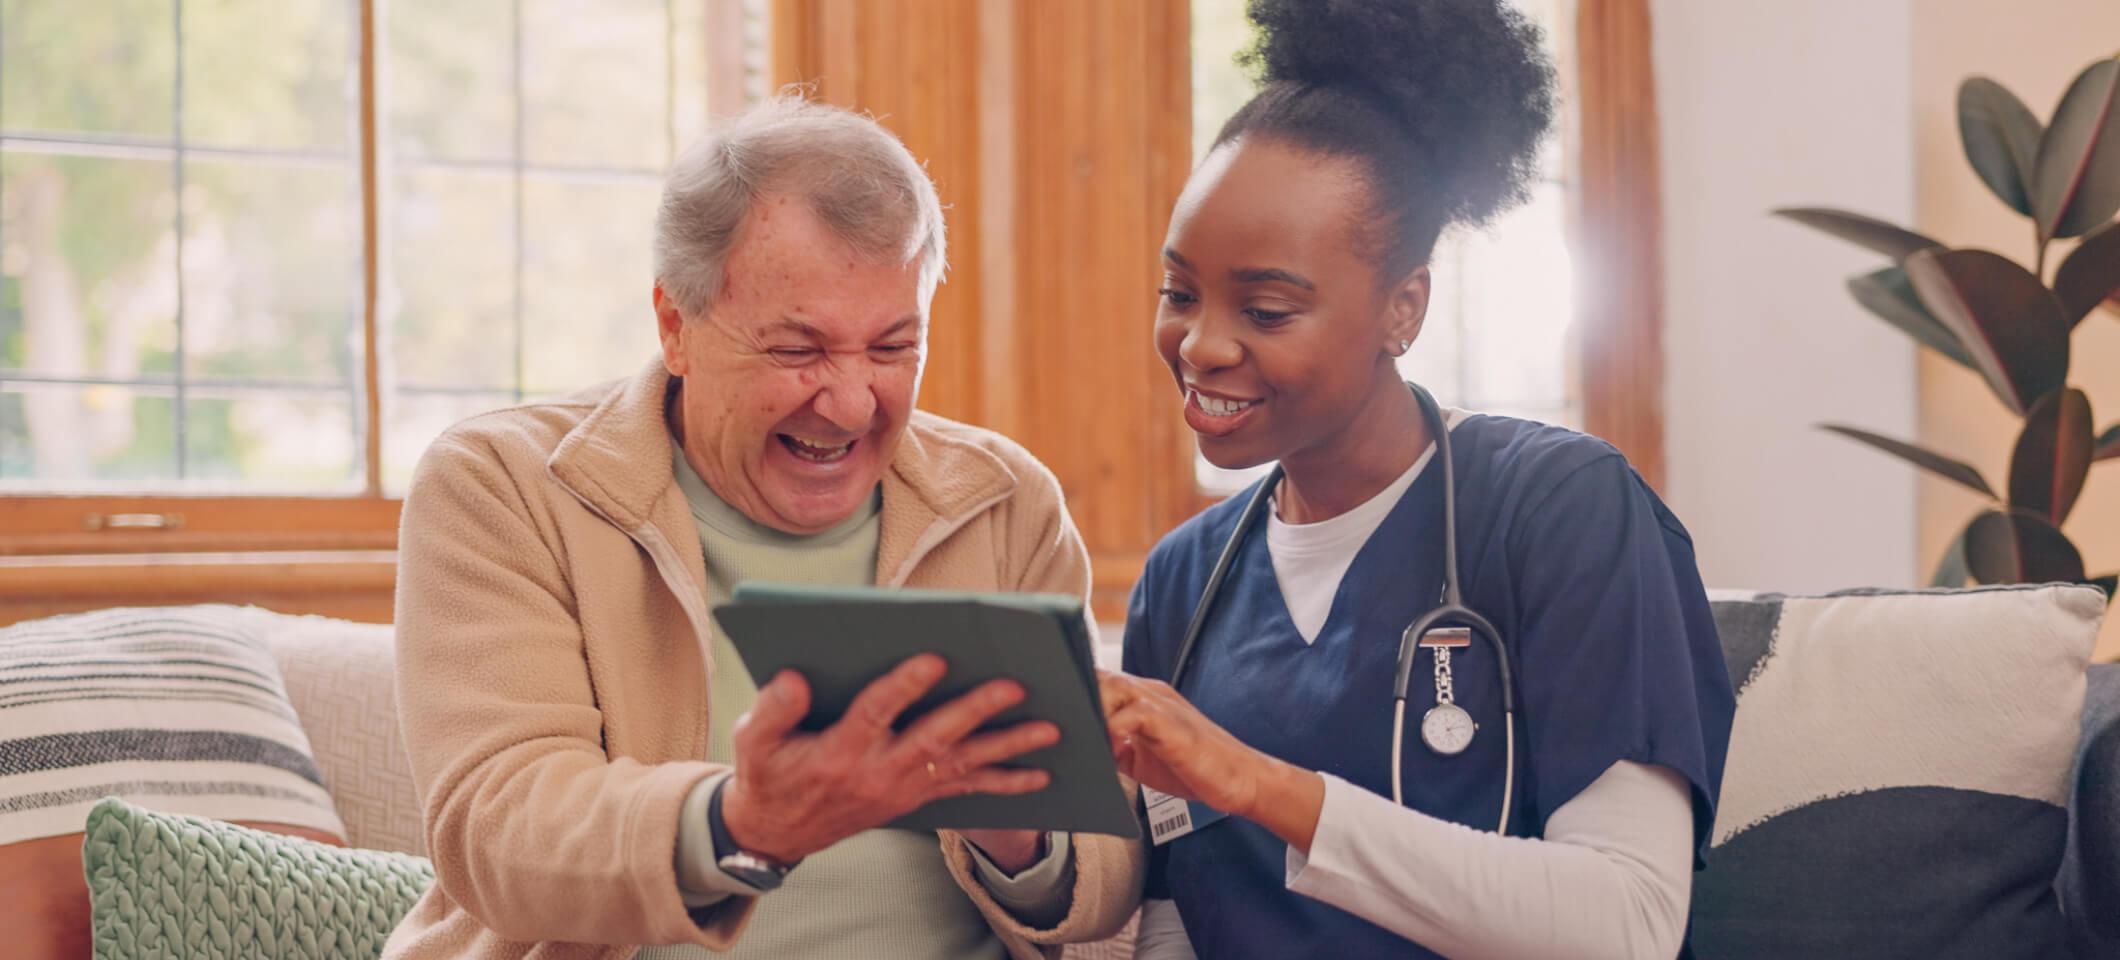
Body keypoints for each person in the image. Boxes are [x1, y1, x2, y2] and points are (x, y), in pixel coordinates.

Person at [383, 96, 1141, 960]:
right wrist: (743, 823)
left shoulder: (1003, 504)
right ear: (676, 326)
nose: (851, 403)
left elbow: (1107, 865)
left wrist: (1018, 830)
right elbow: (498, 830)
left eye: (892, 348)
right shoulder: (503, 484)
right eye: (797, 350)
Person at [1098, 2, 1736, 958]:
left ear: (1404, 309)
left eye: (1265, 311)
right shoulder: (1183, 584)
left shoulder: (1563, 510)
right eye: (1179, 292)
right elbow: (1176, 917)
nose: (1200, 345)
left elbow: (1627, 924)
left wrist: (1258, 785)